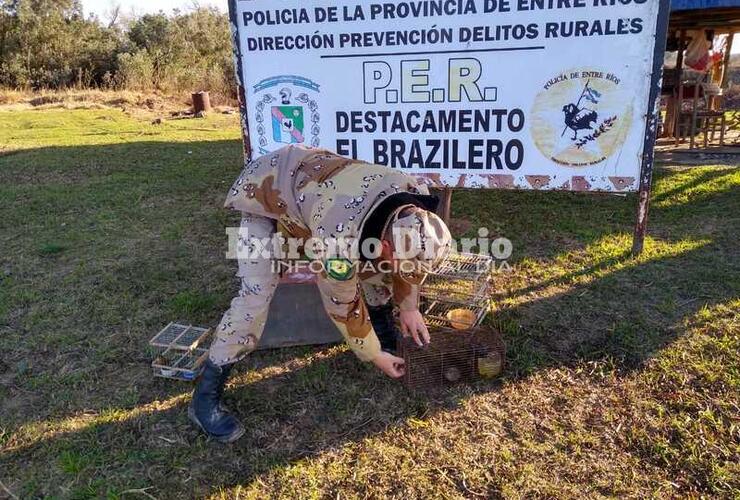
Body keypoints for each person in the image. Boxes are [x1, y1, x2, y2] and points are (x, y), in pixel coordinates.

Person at [189, 144, 452, 443]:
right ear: (387, 244)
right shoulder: (337, 238)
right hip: (269, 191)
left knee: (377, 270)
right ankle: (205, 398)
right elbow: (342, 302)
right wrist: (373, 354)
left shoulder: (413, 195)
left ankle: (381, 328)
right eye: (396, 259)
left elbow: (407, 267)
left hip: (313, 194)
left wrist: (408, 307)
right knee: (255, 297)